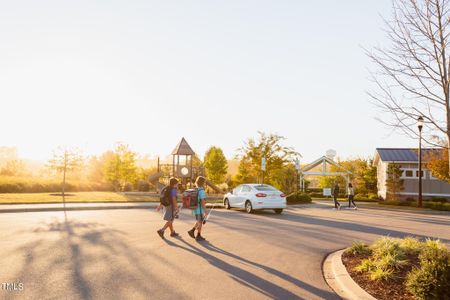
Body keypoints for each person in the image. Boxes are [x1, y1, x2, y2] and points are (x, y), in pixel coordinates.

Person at [187, 176, 207, 241]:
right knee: (200, 223)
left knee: (198, 221)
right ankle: (198, 235)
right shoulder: (202, 191)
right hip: (200, 210)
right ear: (203, 183)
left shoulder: (196, 189)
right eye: (204, 182)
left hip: (195, 209)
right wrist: (206, 211)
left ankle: (192, 231)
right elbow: (202, 202)